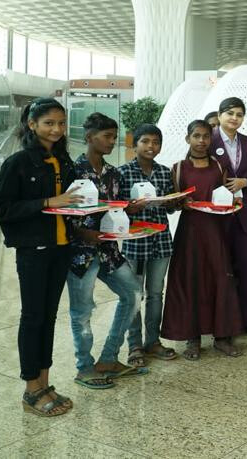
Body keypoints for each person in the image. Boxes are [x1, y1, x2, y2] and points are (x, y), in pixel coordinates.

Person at [0, 98, 81, 417]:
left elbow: (70, 200)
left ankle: (45, 382)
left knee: (49, 316)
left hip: (61, 247)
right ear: (32, 124)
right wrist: (47, 202)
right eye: (49, 123)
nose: (56, 129)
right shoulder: (17, 163)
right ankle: (31, 389)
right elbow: (0, 208)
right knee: (33, 317)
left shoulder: (62, 159)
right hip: (34, 250)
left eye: (61, 123)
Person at [66, 113, 144, 388]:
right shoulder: (72, 171)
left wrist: (130, 209)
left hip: (109, 249)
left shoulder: (113, 173)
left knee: (133, 294)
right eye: (107, 136)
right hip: (81, 253)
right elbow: (62, 214)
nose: (112, 141)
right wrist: (80, 232)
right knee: (82, 311)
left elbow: (116, 208)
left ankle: (109, 358)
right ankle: (84, 368)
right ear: (89, 137)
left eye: (114, 136)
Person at [162, 120, 244, 359]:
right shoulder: (178, 168)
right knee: (191, 281)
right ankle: (193, 339)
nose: (201, 141)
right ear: (187, 139)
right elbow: (172, 203)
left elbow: (231, 196)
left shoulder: (219, 166)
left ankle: (222, 337)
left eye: (205, 136)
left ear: (211, 139)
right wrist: (180, 202)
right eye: (196, 136)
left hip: (216, 231)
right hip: (190, 233)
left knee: (220, 279)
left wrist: (235, 201)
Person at [118, 124, 180, 368]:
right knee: (134, 294)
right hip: (135, 241)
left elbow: (171, 207)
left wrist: (173, 202)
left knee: (155, 293)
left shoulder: (164, 172)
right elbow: (116, 207)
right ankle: (134, 345)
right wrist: (129, 207)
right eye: (145, 141)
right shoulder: (123, 172)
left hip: (161, 241)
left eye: (156, 142)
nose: (151, 146)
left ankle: (152, 341)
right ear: (135, 144)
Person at [211, 97, 247, 339]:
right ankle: (221, 322)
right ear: (220, 115)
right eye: (230, 113)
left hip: (245, 215)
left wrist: (245, 182)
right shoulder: (207, 140)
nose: (234, 118)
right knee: (220, 269)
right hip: (217, 217)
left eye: (239, 114)